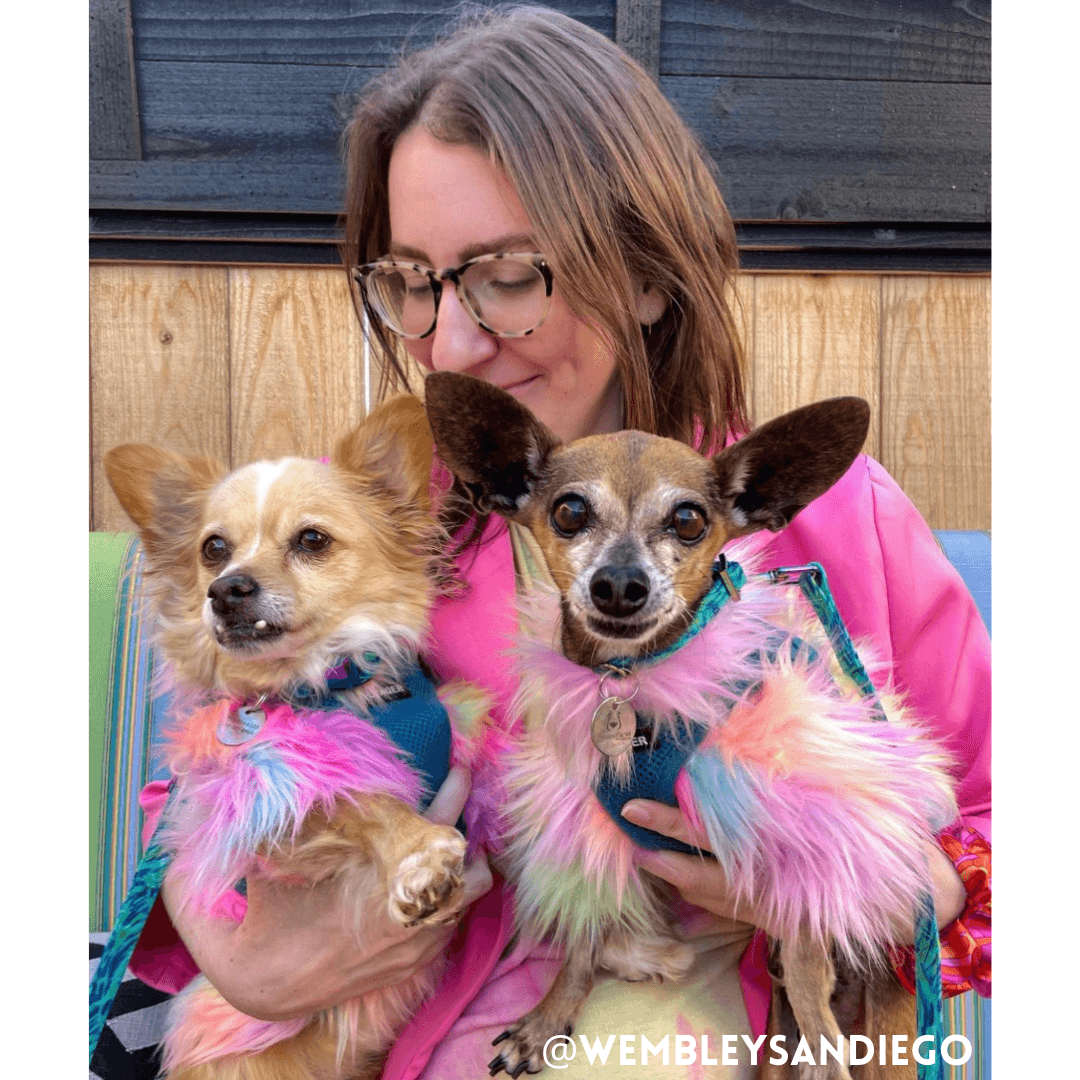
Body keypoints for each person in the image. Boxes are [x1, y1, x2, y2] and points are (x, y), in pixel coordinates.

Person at [131, 6, 990, 1078]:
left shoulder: (828, 517)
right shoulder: (374, 541)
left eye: (510, 276)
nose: (450, 340)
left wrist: (864, 874)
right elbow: (208, 775)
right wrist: (246, 963)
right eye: (411, 282)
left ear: (642, 270)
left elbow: (998, 828)